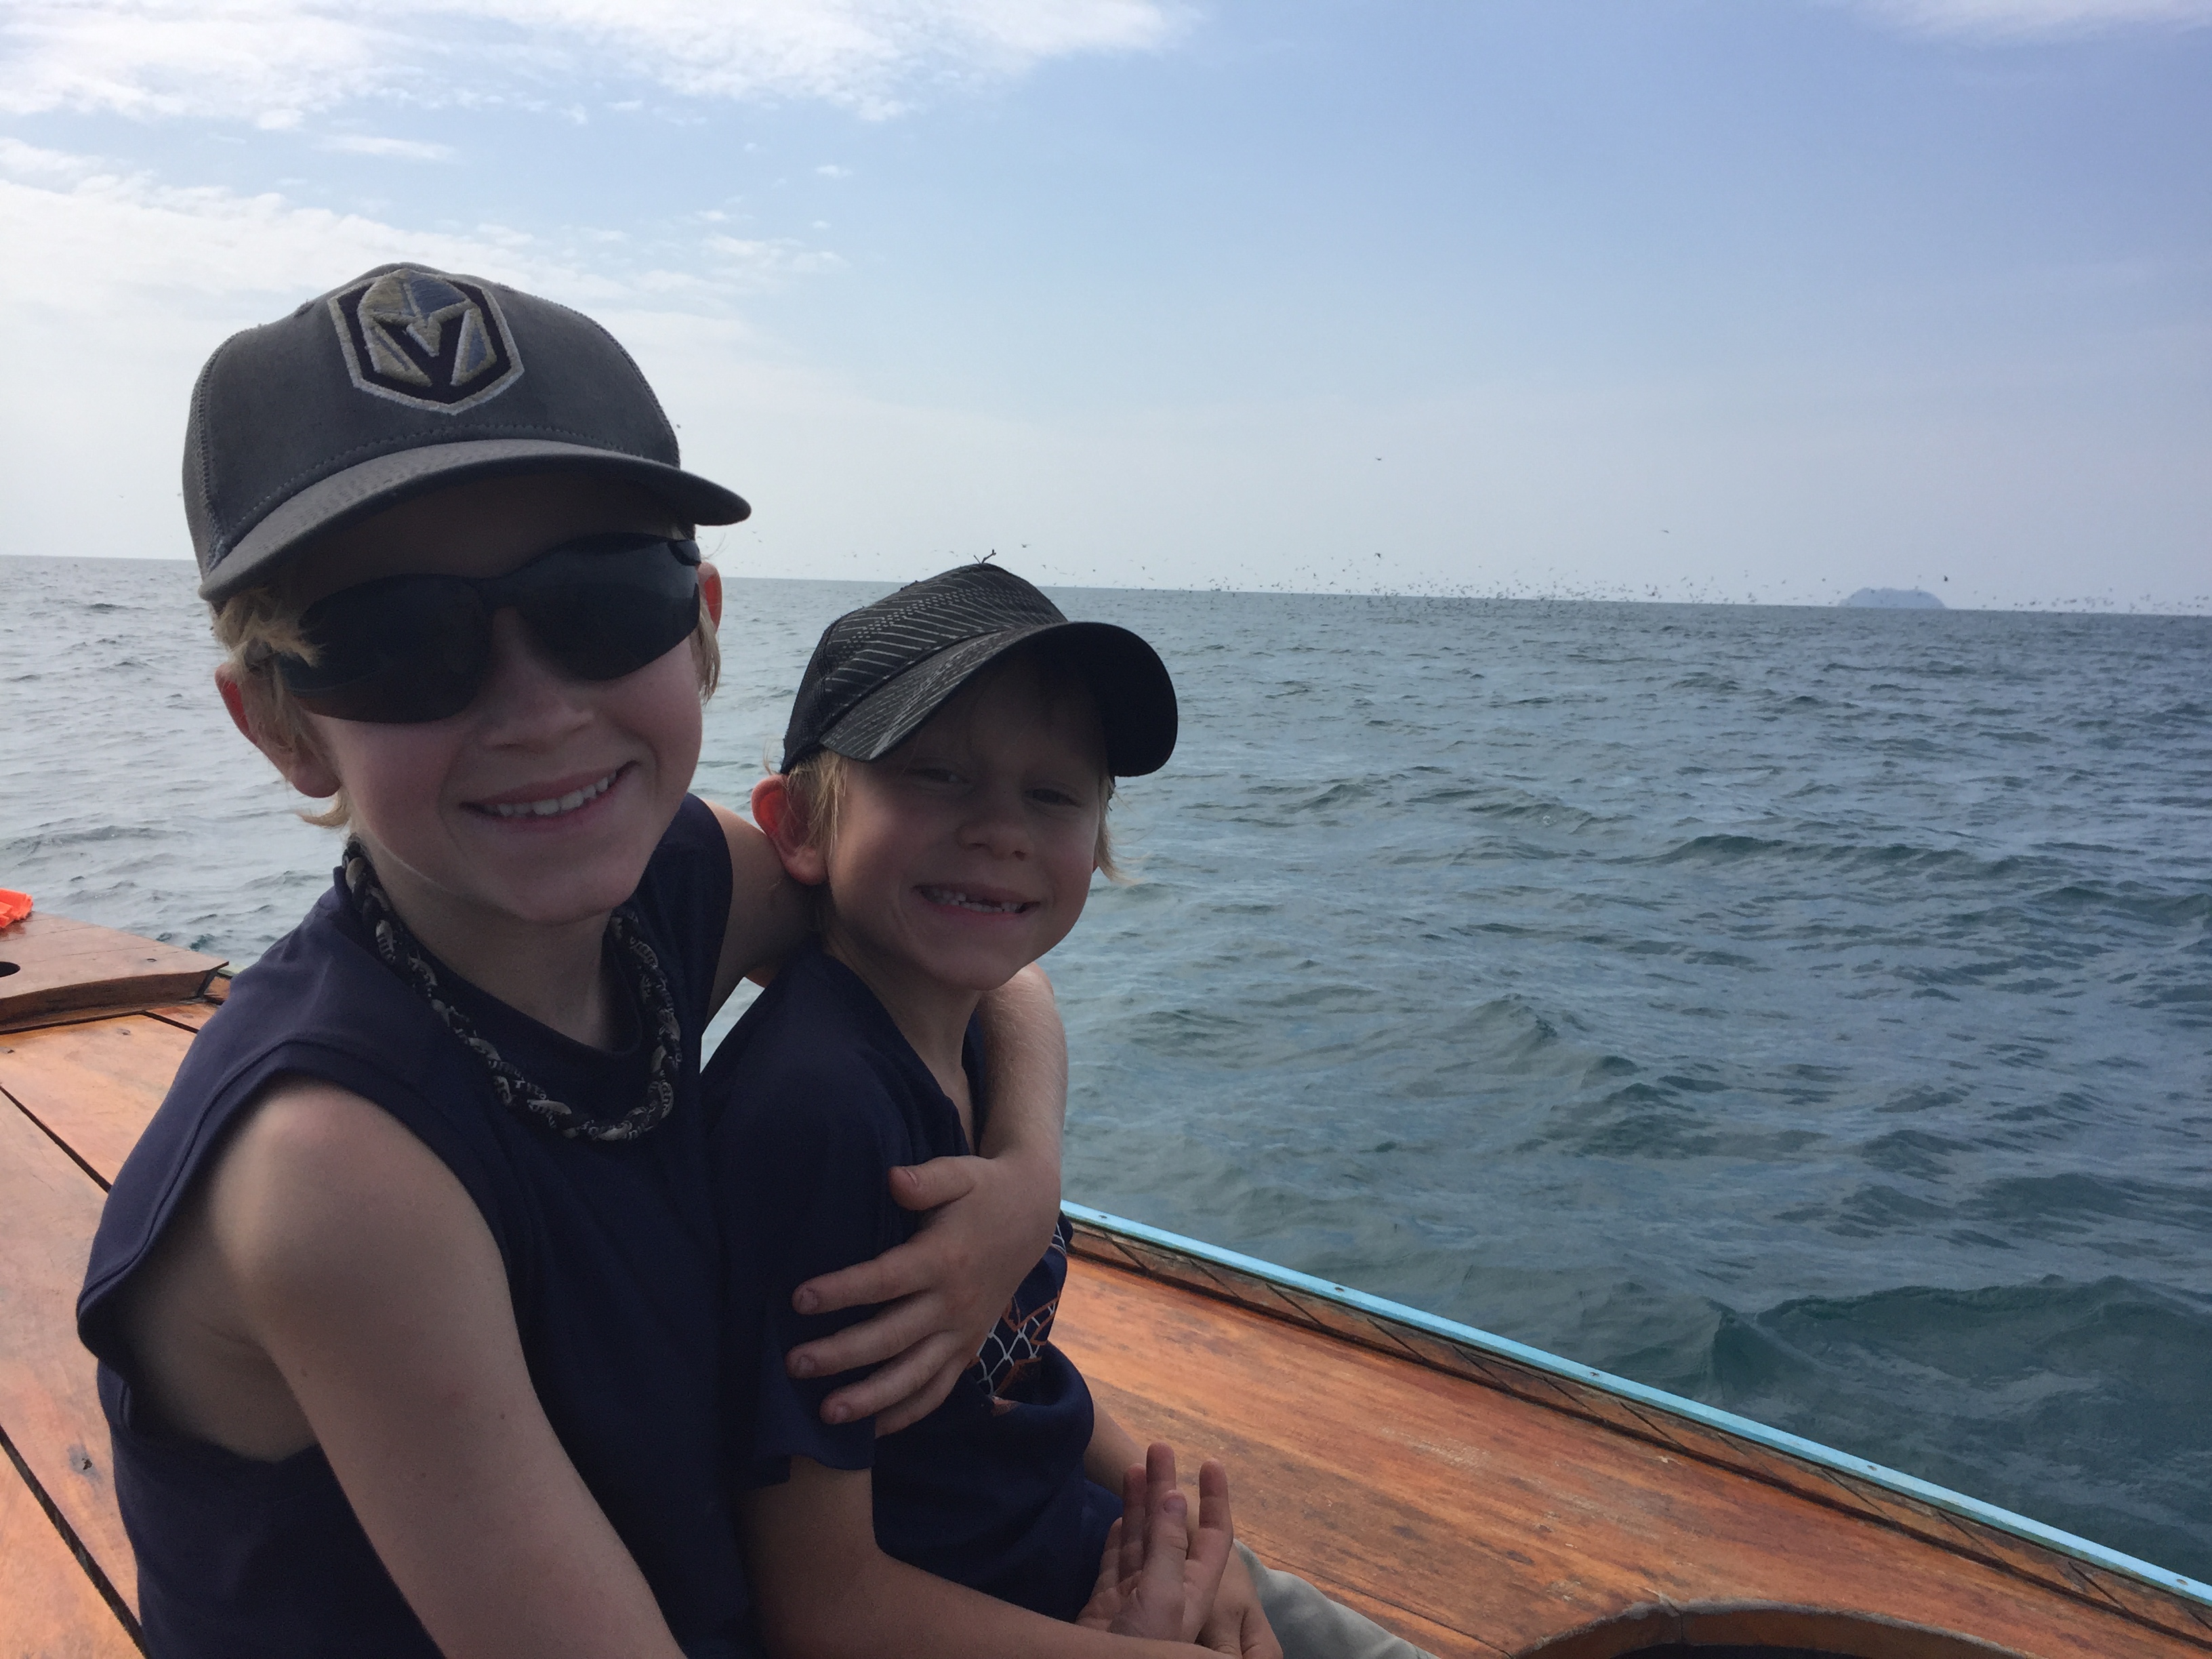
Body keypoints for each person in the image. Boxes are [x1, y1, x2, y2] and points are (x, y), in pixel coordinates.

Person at [74, 266, 1070, 1659]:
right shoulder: (336, 1173)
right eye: (399, 642)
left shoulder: (675, 885)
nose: (538, 710)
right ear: (284, 728)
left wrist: (1022, 1180)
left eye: (601, 600)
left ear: (700, 621)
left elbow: (978, 959)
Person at [710, 563, 1436, 1659]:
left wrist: (1185, 1529)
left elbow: (998, 1378)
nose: (1002, 829)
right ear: (798, 826)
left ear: (1096, 842)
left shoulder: (964, 1032)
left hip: (1077, 1546)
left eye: (1053, 795)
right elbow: (825, 1610)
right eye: (938, 774)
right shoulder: (824, 1117)